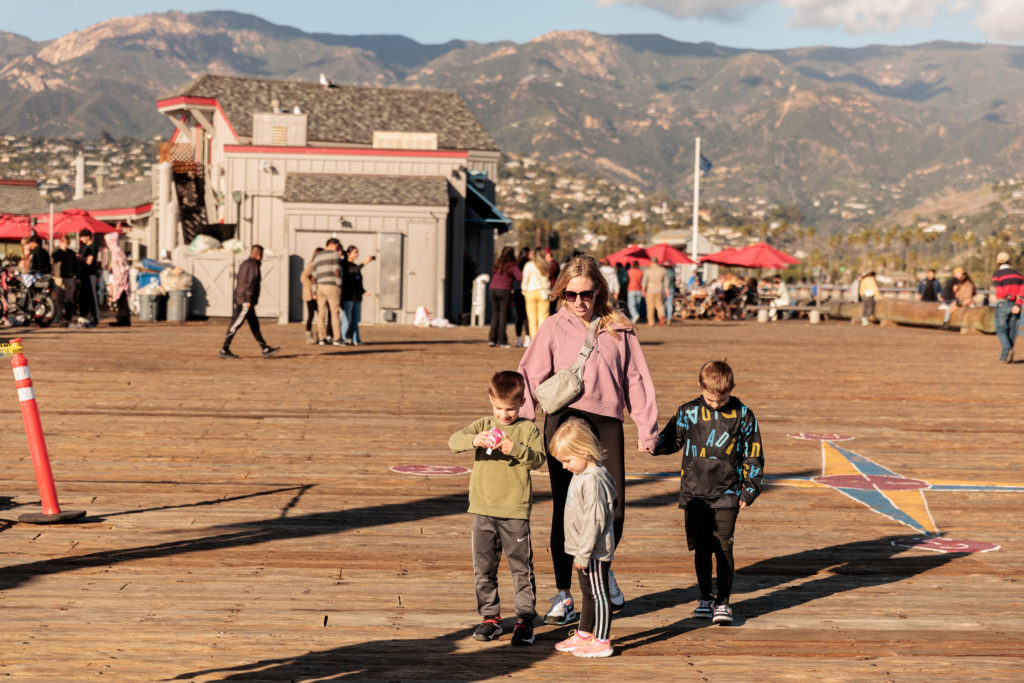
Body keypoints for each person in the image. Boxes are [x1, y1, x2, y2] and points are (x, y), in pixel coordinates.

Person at [518, 255, 658, 625]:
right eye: (570, 295)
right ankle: (565, 594)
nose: (579, 302)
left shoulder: (621, 329)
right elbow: (530, 375)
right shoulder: (552, 327)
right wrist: (523, 423)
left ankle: (602, 572)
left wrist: (646, 426)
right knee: (566, 508)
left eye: (586, 294)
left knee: (613, 505)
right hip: (565, 421)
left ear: (600, 292)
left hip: (607, 420)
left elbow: (636, 378)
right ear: (560, 294)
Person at [651, 360, 764, 625]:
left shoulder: (743, 415)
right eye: (710, 398)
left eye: (722, 398)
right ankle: (705, 597)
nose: (715, 403)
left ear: (732, 389)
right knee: (701, 547)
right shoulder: (688, 412)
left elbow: (753, 455)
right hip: (694, 493)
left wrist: (749, 491)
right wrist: (652, 444)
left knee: (723, 547)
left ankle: (723, 602)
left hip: (727, 492)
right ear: (700, 388)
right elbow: (672, 439)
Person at [448, 370, 545, 646]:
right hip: (482, 509)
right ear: (491, 402)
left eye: (511, 409)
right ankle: (490, 618)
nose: (504, 415)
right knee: (484, 567)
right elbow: (453, 442)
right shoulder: (482, 425)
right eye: (499, 408)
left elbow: (538, 460)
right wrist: (474, 440)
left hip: (514, 510)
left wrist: (514, 447)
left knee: (520, 567)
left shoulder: (527, 429)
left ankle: (525, 619)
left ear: (522, 402)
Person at [549, 418, 617, 659]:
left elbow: (595, 520)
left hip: (593, 552)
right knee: (587, 593)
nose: (565, 466)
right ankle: (585, 632)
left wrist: (584, 552)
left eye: (567, 460)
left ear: (584, 451)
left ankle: (602, 640)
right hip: (582, 550)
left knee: (600, 595)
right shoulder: (582, 473)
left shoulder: (593, 479)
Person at [219, 245, 280, 359]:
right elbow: (251, 283)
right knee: (235, 324)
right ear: (259, 255)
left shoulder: (245, 263)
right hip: (245, 301)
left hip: (243, 299)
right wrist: (248, 300)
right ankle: (224, 349)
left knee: (254, 325)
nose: (262, 258)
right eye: (262, 255)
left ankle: (265, 348)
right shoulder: (253, 265)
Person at [991, 251, 1023, 363]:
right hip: (1016, 305)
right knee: (1012, 330)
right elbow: (1022, 290)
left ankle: (1007, 349)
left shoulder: (997, 275)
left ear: (998, 262)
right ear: (1010, 261)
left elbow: (1000, 291)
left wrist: (1010, 298)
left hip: (1003, 303)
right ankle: (1005, 355)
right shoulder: (1018, 274)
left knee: (1001, 329)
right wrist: (1018, 303)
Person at [488, 246, 521, 348]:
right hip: (504, 290)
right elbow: (520, 277)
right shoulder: (512, 266)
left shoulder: (497, 263)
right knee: (503, 316)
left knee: (495, 315)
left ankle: (492, 340)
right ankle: (502, 341)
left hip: (493, 289)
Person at [312, 238, 344, 346]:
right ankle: (337, 339)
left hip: (320, 286)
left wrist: (314, 290)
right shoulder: (334, 254)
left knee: (321, 313)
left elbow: (314, 275)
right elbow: (336, 270)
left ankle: (321, 338)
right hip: (331, 285)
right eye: (337, 245)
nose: (337, 248)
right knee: (335, 312)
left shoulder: (317, 256)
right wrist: (339, 284)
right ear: (333, 244)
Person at [341, 245, 374, 345]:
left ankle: (355, 339)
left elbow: (358, 282)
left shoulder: (356, 266)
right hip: (348, 296)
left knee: (356, 319)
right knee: (347, 319)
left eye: (357, 252)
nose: (356, 254)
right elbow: (352, 271)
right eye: (354, 252)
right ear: (348, 253)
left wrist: (363, 291)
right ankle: (344, 338)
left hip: (357, 297)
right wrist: (365, 263)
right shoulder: (345, 265)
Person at [521, 250, 550, 345]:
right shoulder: (546, 265)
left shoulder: (529, 265)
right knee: (543, 317)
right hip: (543, 293)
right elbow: (547, 280)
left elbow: (525, 279)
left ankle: (534, 340)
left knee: (532, 318)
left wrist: (524, 290)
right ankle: (542, 339)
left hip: (530, 292)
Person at [51, 235, 78, 326]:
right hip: (59, 277)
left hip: (70, 278)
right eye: (64, 243)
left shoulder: (71, 253)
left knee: (69, 298)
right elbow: (54, 258)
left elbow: (75, 266)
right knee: (59, 298)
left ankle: (68, 316)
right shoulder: (57, 252)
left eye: (67, 244)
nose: (66, 246)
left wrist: (77, 277)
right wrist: (61, 250)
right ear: (61, 243)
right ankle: (59, 316)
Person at [104, 233, 130, 327]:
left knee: (121, 299)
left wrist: (120, 278)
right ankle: (122, 318)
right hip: (119, 278)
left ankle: (123, 319)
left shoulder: (117, 251)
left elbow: (124, 266)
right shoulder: (116, 251)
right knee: (121, 299)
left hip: (121, 279)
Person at [77, 228, 101, 325]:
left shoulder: (93, 246)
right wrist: (82, 258)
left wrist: (81, 258)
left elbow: (89, 261)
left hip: (91, 274)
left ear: (87, 237)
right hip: (82, 275)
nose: (81, 239)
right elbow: (81, 258)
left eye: (82, 237)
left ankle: (95, 316)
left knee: (92, 296)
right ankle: (83, 315)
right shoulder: (82, 246)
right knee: (82, 296)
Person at [301, 247, 323, 344]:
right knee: (311, 315)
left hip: (316, 293)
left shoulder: (317, 265)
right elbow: (303, 276)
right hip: (310, 294)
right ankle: (308, 336)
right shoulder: (312, 265)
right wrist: (312, 286)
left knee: (320, 314)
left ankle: (321, 335)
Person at [512, 247, 532, 347]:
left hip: (516, 292)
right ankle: (528, 339)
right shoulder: (529, 264)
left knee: (518, 316)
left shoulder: (515, 264)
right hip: (527, 291)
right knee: (527, 315)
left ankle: (518, 339)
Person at [642, 257, 668, 326]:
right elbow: (666, 281)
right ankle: (661, 316)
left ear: (651, 262)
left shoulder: (647, 270)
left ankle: (651, 322)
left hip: (650, 290)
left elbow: (644, 281)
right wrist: (666, 290)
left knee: (650, 306)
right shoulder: (662, 270)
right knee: (659, 305)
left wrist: (643, 290)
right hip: (659, 289)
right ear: (657, 261)